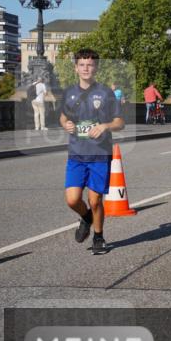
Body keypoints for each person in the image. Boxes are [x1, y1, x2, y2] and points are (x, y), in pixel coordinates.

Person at [59, 49, 125, 255]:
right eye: (82, 65)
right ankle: (86, 218)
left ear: (96, 67)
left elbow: (120, 122)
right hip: (77, 154)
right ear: (75, 68)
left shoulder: (105, 93)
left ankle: (98, 236)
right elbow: (63, 116)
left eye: (90, 65)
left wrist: (105, 126)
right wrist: (66, 124)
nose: (86, 68)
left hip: (99, 154)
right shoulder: (69, 92)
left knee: (95, 200)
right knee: (72, 199)